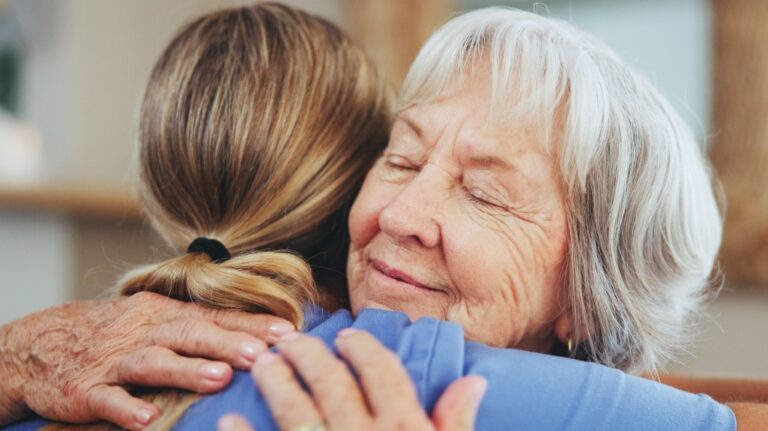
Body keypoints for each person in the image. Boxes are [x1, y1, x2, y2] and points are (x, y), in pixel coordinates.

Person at [2, 4, 768, 431]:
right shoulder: (398, 361)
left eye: (485, 192)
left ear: (588, 293)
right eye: (400, 159)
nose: (399, 212)